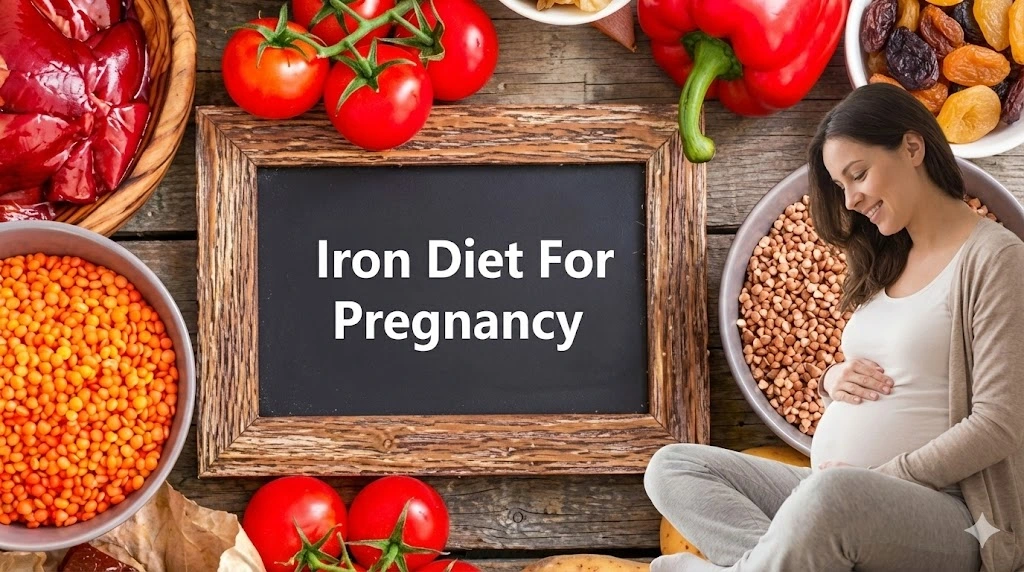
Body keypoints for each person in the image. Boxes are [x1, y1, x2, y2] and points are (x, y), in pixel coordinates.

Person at [644, 83, 1024, 572]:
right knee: (673, 468)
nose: (851, 199)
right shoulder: (887, 263)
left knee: (827, 498)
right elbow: (894, 376)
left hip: (955, 517)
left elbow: (999, 425)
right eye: (841, 186)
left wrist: (888, 479)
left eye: (858, 174)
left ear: (912, 147)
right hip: (840, 498)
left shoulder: (997, 259)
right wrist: (830, 381)